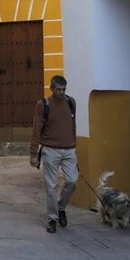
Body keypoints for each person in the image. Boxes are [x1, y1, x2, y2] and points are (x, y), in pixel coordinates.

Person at [30, 75, 77, 233]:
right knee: (51, 186)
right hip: (50, 150)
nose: (61, 92)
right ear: (51, 88)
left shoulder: (71, 102)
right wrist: (33, 153)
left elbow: (72, 126)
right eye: (58, 89)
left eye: (64, 89)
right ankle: (52, 218)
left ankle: (60, 207)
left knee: (72, 181)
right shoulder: (43, 105)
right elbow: (36, 129)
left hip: (69, 149)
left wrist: (74, 146)